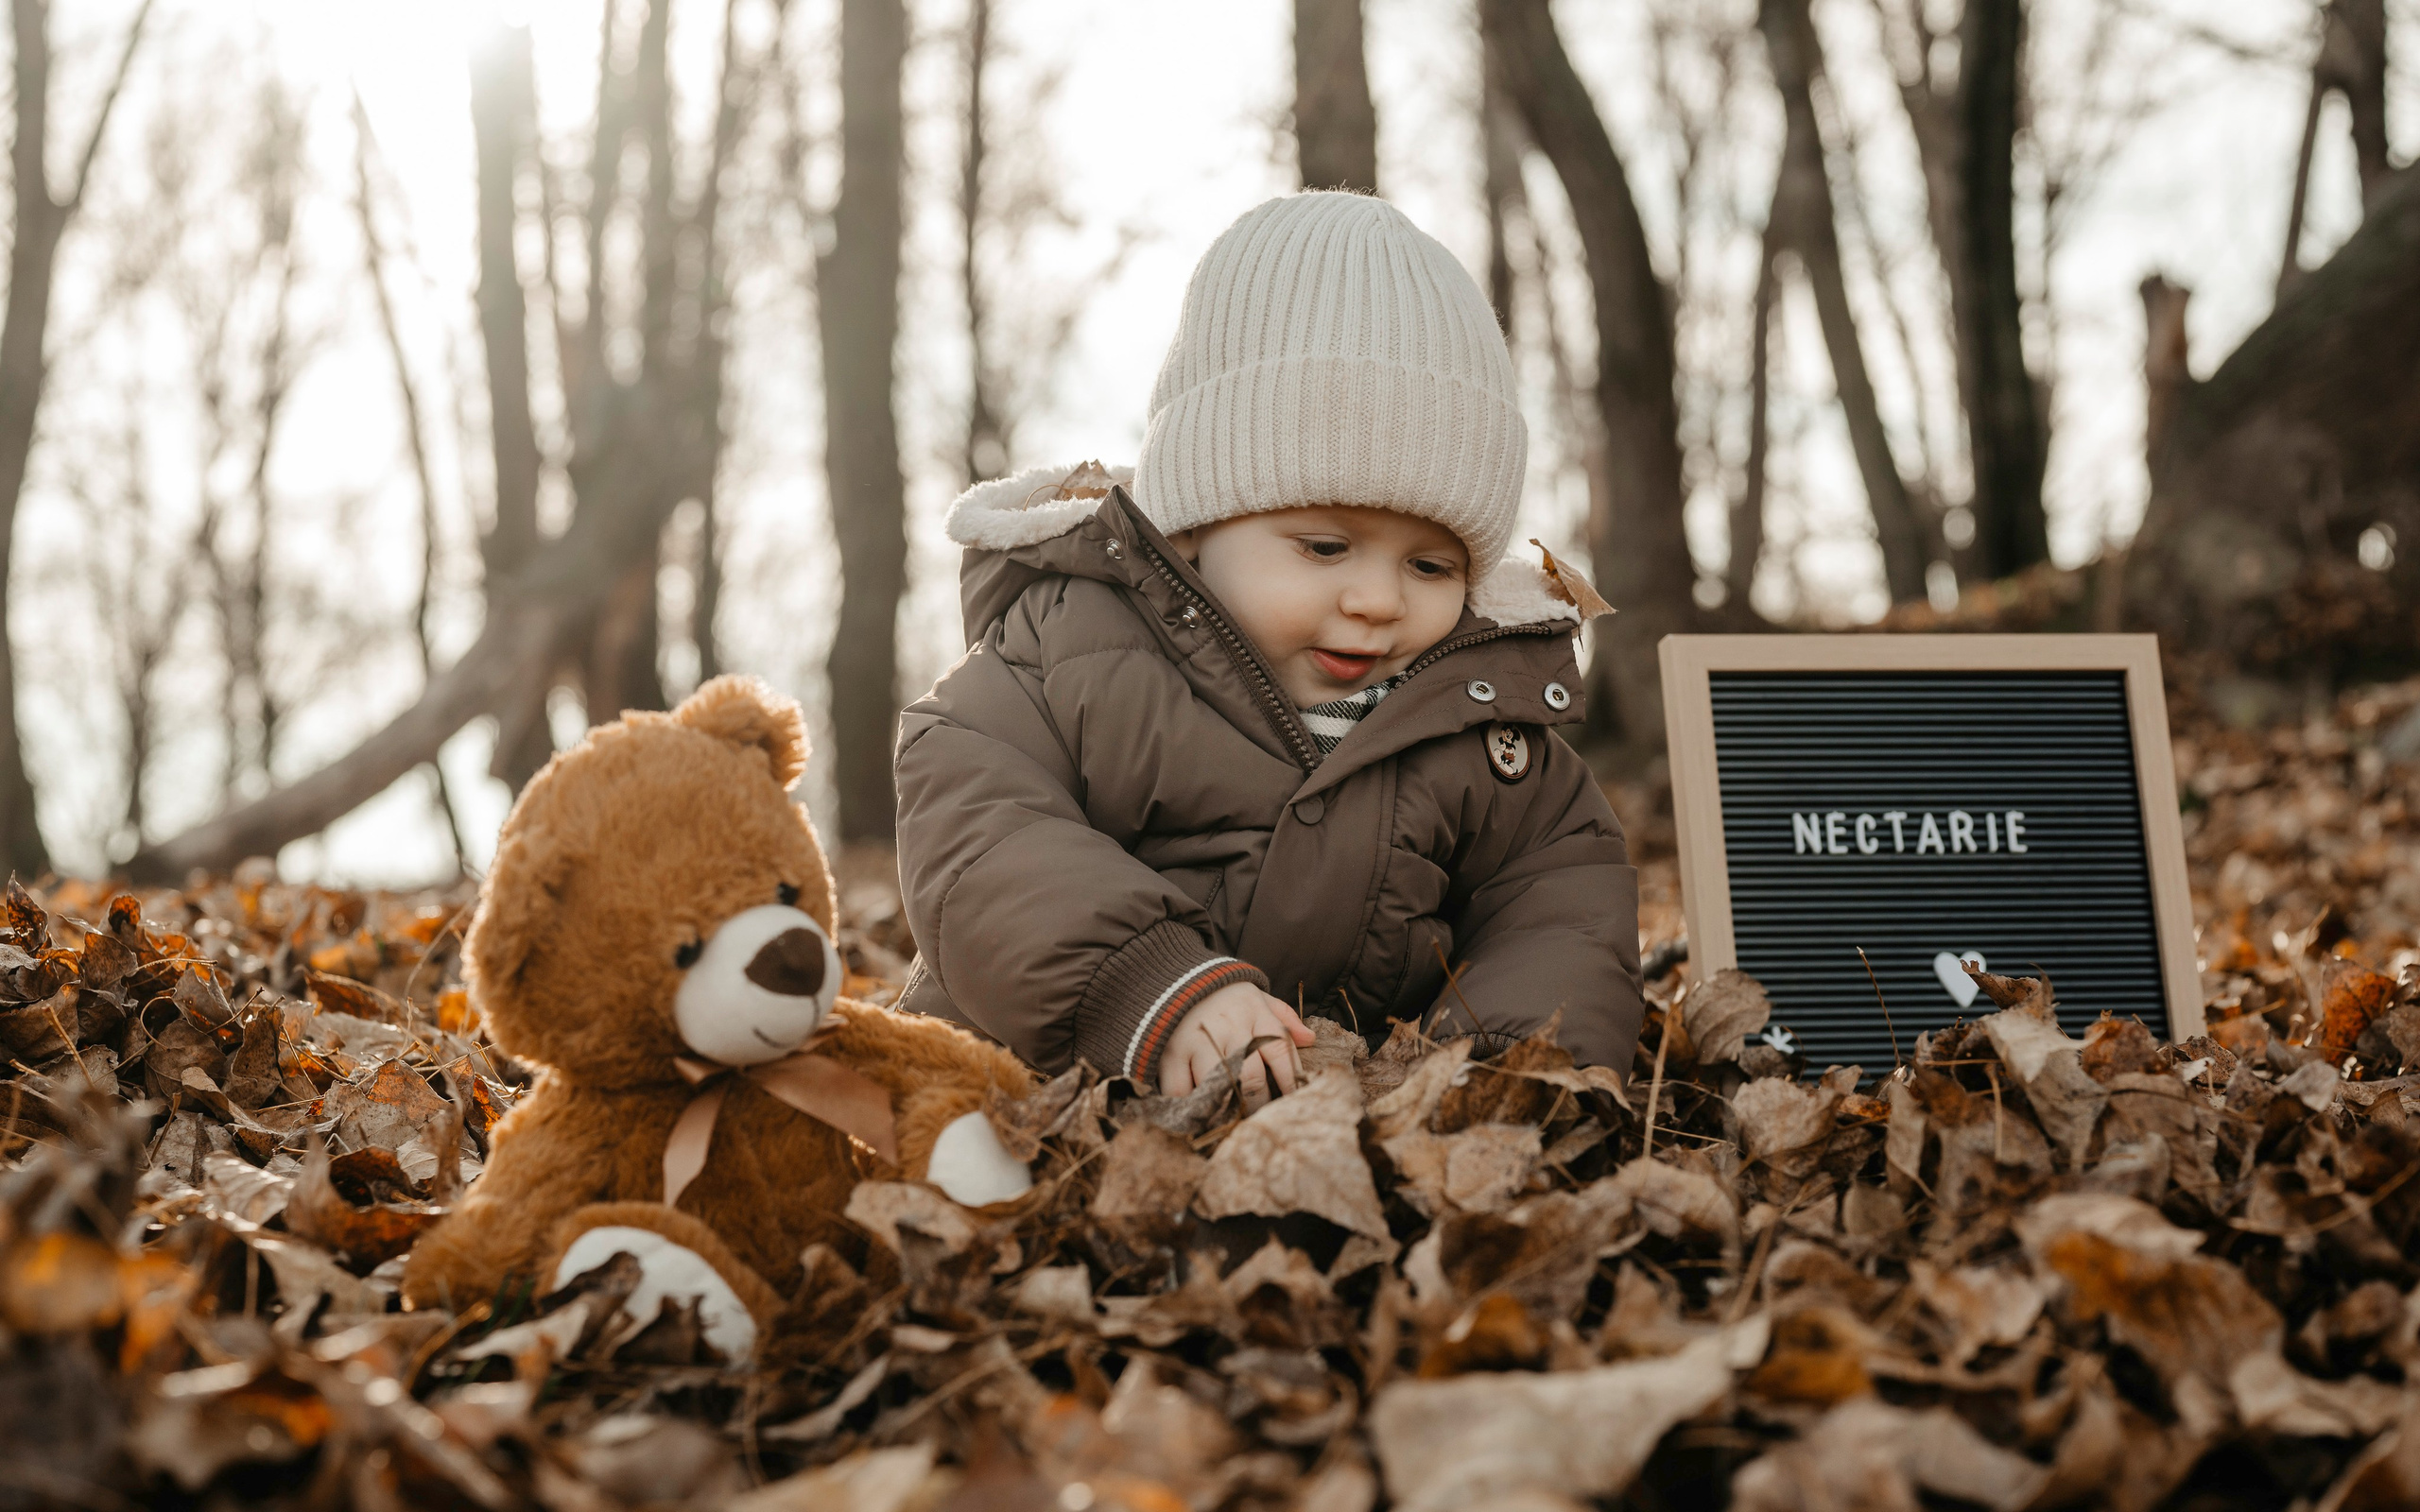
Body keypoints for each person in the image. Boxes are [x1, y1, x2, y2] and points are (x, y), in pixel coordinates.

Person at [893, 191, 1645, 1107]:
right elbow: (985, 830)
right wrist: (1149, 979)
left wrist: (1508, 1064)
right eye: (1323, 547)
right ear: (1197, 526)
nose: (1376, 600)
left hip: (1333, 1111)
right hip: (1041, 1075)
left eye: (1431, 564)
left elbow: (1556, 899)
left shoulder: (1487, 718)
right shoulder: (1071, 643)